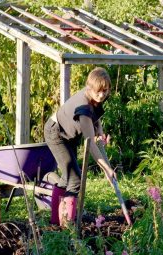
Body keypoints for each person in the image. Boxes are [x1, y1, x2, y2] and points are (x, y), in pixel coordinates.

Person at [44, 67, 116, 226]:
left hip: (68, 134)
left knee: (67, 177)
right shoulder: (83, 109)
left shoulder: (94, 95)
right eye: (98, 91)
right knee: (75, 179)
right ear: (90, 88)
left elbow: (96, 116)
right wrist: (106, 169)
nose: (102, 95)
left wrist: (100, 131)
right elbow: (90, 146)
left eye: (105, 90)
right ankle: (68, 226)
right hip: (56, 133)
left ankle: (56, 222)